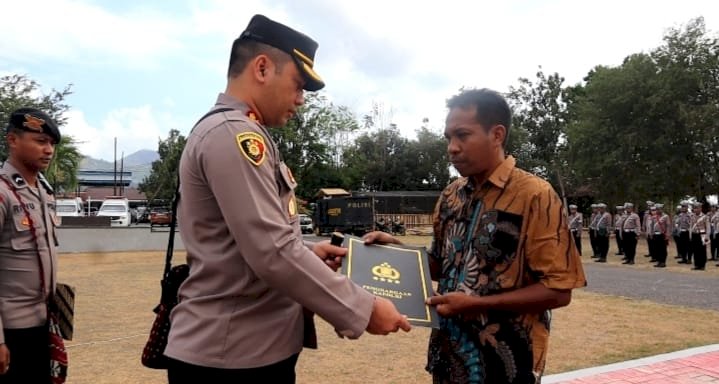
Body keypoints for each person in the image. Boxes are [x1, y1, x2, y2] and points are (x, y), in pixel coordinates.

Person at [164, 14, 410, 384]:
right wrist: (363, 308)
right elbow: (272, 251)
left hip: (247, 348)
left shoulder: (240, 132)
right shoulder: (235, 136)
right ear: (262, 68)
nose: (300, 101)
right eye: (298, 85)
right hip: (231, 358)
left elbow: (247, 243)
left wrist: (307, 250)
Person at [367, 88, 586, 383]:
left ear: (497, 135)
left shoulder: (534, 195)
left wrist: (479, 305)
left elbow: (559, 291)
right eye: (448, 138)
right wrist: (396, 250)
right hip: (448, 358)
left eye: (462, 135)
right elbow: (440, 264)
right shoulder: (451, 195)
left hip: (506, 365)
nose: (452, 148)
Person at [0, 108, 62, 383]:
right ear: (13, 140)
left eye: (51, 143)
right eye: (40, 141)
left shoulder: (44, 194)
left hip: (41, 327)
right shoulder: (3, 194)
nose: (48, 150)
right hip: (11, 331)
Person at [689, 202, 710, 270]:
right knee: (695, 250)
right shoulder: (692, 216)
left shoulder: (705, 216)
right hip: (695, 234)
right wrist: (690, 235)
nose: (696, 209)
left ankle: (702, 265)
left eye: (697, 208)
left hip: (702, 235)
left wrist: (707, 236)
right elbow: (691, 226)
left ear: (700, 208)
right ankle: (696, 265)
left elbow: (708, 227)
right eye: (694, 208)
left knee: (702, 250)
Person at [652, 204, 670, 268]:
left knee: (663, 249)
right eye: (657, 209)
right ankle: (659, 261)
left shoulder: (666, 216)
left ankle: (663, 262)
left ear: (662, 209)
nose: (658, 210)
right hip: (655, 234)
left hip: (662, 234)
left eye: (659, 209)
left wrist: (667, 235)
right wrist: (652, 234)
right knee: (656, 249)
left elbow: (668, 226)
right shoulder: (654, 217)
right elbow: (652, 226)